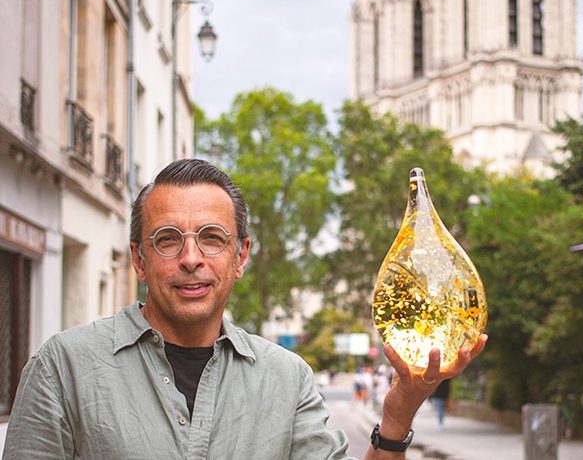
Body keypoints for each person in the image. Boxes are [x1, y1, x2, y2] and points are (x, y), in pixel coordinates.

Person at [3, 159, 487, 459]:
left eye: (212, 239)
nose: (191, 259)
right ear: (138, 259)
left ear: (240, 257)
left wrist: (399, 416)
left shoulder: (286, 378)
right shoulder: (62, 368)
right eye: (168, 240)